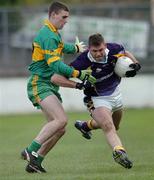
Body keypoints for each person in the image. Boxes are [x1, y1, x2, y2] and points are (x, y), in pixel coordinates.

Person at [21, 1, 96, 173]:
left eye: (67, 17)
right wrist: (79, 74)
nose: (66, 21)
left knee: (60, 129)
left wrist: (76, 48)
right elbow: (56, 67)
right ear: (53, 15)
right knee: (61, 120)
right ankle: (29, 150)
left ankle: (35, 161)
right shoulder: (48, 35)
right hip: (39, 84)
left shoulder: (52, 33)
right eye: (64, 17)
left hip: (49, 84)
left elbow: (61, 48)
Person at [52, 33, 141, 169]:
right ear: (89, 49)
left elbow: (126, 52)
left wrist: (135, 64)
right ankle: (119, 152)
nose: (98, 53)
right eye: (94, 51)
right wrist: (78, 85)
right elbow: (55, 78)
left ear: (105, 45)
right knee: (108, 126)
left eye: (100, 50)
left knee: (115, 126)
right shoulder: (82, 62)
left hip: (115, 94)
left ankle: (85, 126)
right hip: (96, 98)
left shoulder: (114, 49)